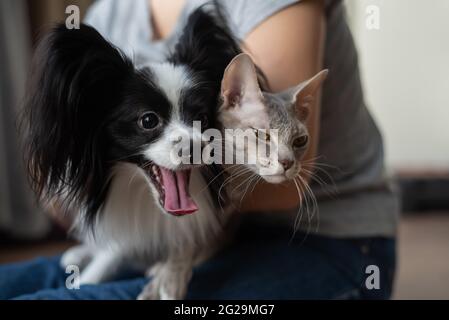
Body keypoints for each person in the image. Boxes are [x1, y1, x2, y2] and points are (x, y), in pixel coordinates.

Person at [0, 0, 398, 300]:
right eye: (149, 122)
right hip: (147, 247)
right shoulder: (112, 13)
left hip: (322, 242)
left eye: (197, 117)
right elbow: (72, 187)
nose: (191, 140)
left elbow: (280, 180)